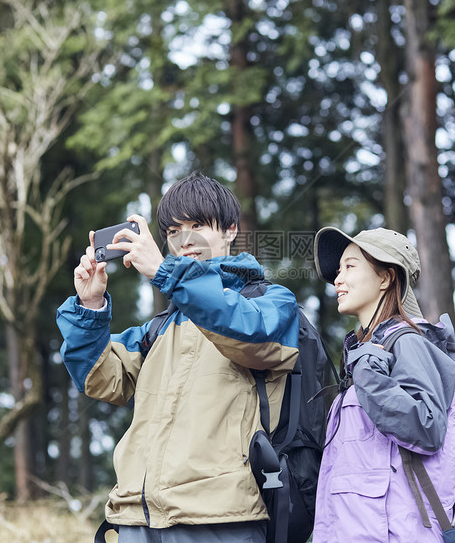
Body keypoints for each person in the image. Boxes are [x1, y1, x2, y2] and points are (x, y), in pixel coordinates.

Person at [55, 172, 300, 543]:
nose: (184, 240)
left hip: (222, 520)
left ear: (231, 230)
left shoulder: (271, 301)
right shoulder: (157, 330)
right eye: (172, 231)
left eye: (197, 225)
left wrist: (165, 274)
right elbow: (99, 379)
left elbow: (252, 339)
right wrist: (90, 305)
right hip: (137, 519)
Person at [311, 226, 455, 542]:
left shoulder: (407, 343)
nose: (338, 279)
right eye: (338, 270)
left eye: (350, 266)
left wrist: (367, 371)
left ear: (385, 278)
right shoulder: (367, 355)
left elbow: (427, 428)